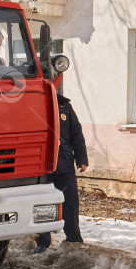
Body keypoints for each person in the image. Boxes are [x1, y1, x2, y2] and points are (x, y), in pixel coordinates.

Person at [34, 93, 89, 253]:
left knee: (70, 203)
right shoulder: (34, 103)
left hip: (64, 163)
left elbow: (76, 134)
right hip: (42, 165)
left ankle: (74, 239)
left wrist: (81, 159)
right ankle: (43, 242)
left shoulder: (65, 106)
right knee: (43, 204)